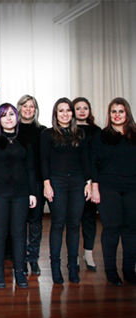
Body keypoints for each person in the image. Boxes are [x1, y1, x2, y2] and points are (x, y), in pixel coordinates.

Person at [0, 103, 36, 288]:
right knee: (0, 233)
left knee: (19, 233)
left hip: (21, 194)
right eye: (4, 115)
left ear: (16, 117)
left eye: (11, 114)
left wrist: (32, 193)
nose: (8, 118)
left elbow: (30, 169)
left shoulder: (24, 141)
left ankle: (19, 271)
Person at [41, 97, 92, 284]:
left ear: (72, 113)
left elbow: (85, 159)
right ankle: (55, 268)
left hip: (78, 182)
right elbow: (44, 160)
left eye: (68, 110)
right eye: (61, 110)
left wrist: (89, 182)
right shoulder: (47, 134)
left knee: (74, 224)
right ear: (55, 113)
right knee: (57, 224)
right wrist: (47, 184)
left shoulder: (80, 134)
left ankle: (73, 267)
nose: (65, 114)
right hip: (57, 182)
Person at [91, 97, 136, 286]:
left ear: (127, 113)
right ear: (109, 115)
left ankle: (128, 271)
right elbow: (93, 165)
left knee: (131, 231)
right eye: (113, 111)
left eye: (121, 111)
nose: (117, 115)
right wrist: (94, 188)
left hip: (133, 188)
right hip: (108, 188)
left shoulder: (135, 135)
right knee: (111, 230)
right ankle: (111, 271)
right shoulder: (101, 136)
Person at [17, 95, 47, 274]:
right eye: (25, 106)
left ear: (36, 110)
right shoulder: (12, 129)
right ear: (19, 108)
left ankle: (33, 258)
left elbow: (45, 159)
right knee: (19, 223)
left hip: (36, 181)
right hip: (17, 183)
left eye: (32, 106)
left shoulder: (43, 131)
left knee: (35, 221)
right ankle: (19, 259)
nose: (28, 109)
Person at [73, 97, 101, 272]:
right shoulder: (68, 131)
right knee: (74, 220)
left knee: (89, 218)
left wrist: (91, 181)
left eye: (85, 108)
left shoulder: (98, 132)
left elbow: (97, 159)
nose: (82, 111)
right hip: (74, 180)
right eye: (78, 108)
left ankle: (88, 253)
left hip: (92, 180)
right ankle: (73, 255)